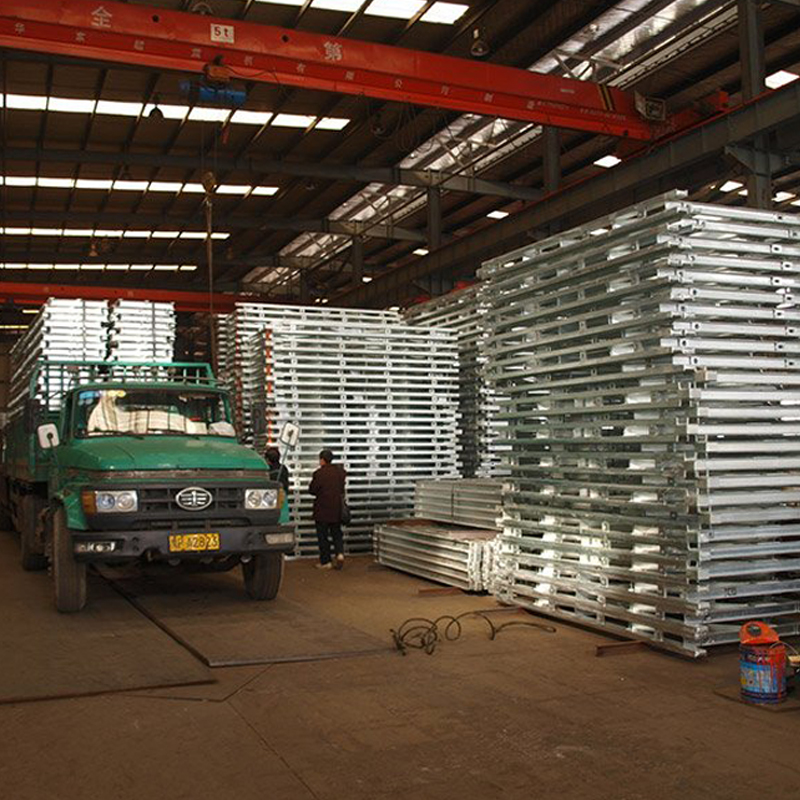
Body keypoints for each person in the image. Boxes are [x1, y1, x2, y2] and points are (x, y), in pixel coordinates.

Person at [309, 448, 346, 570]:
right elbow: (341, 489)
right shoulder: (340, 472)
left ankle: (326, 562)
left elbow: (312, 490)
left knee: (323, 536)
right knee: (336, 533)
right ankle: (340, 554)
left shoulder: (319, 473)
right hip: (336, 509)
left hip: (322, 510)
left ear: (322, 460)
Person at [265, 447, 291, 525]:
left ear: (268, 459)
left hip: (270, 499)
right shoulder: (283, 469)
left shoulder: (267, 470)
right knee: (280, 522)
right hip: (282, 496)